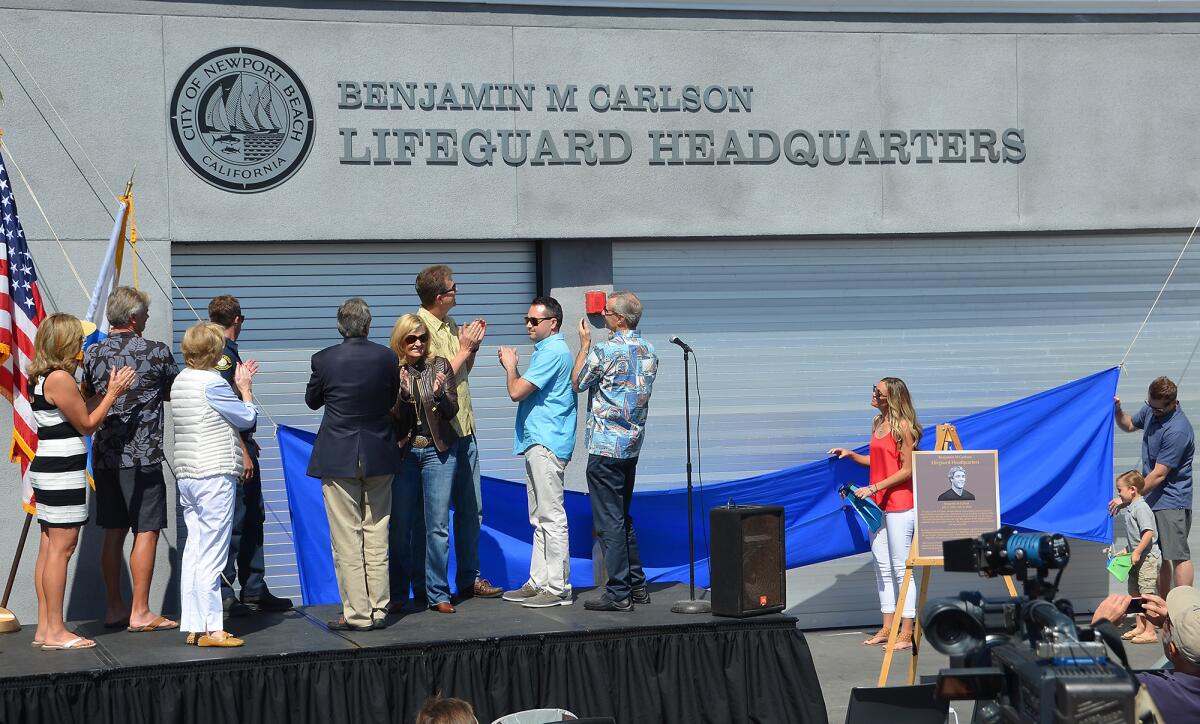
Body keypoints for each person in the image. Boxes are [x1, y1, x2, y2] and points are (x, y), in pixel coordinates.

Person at [28, 314, 134, 650]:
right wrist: (113, 394)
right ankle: (56, 630)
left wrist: (103, 393)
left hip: (50, 466)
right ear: (63, 342)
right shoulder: (59, 377)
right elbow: (87, 424)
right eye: (76, 340)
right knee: (62, 548)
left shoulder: (44, 375)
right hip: (60, 471)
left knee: (49, 546)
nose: (80, 347)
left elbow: (76, 414)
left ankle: (46, 628)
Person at [81, 286, 180, 632]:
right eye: (146, 315)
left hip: (106, 456)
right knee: (147, 531)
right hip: (143, 459)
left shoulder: (91, 354)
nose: (148, 319)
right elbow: (174, 391)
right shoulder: (156, 352)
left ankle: (114, 608)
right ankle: (140, 610)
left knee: (113, 532)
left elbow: (87, 397)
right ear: (134, 318)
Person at [306, 298, 401, 631]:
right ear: (368, 324)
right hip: (379, 454)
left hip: (338, 456)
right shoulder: (388, 357)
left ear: (339, 325)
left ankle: (357, 615)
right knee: (377, 533)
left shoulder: (324, 359)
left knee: (347, 538)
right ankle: (378, 608)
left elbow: (312, 400)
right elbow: (391, 398)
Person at [413, 265, 502, 601]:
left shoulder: (450, 324)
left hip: (465, 426)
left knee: (472, 509)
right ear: (440, 296)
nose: (457, 292)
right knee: (434, 520)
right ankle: (431, 587)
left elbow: (461, 370)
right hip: (439, 436)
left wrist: (472, 349)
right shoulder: (419, 328)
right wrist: (464, 349)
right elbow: (431, 380)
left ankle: (469, 578)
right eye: (453, 287)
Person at [171, 322, 259, 648]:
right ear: (214, 350)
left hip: (189, 475)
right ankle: (212, 628)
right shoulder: (212, 384)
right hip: (213, 473)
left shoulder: (181, 380)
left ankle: (195, 625)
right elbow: (247, 418)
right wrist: (246, 389)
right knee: (212, 554)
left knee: (194, 551)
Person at [572, 291, 657, 612]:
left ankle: (618, 591)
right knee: (621, 516)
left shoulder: (604, 350)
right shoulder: (649, 350)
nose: (603, 316)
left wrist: (583, 346)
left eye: (607, 312)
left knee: (608, 521)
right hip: (631, 445)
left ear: (619, 319)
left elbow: (578, 382)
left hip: (605, 446)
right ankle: (636, 585)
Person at [207, 295, 292, 616]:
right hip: (233, 453)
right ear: (237, 320)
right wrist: (242, 449)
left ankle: (255, 588)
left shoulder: (223, 352)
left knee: (254, 517)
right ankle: (228, 591)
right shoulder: (223, 356)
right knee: (237, 522)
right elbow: (226, 410)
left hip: (242, 445)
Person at [828, 377, 922, 650]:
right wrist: (853, 456)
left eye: (878, 393)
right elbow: (880, 459)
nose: (873, 395)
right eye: (874, 390)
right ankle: (888, 626)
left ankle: (907, 631)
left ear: (891, 397)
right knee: (881, 565)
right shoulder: (877, 423)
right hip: (878, 502)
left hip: (900, 502)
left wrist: (874, 487)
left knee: (902, 567)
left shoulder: (904, 427)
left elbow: (907, 469)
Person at [498, 296, 578, 608]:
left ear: (553, 323)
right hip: (537, 441)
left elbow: (516, 391)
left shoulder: (554, 351)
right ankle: (539, 580)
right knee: (539, 516)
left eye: (535, 321)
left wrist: (511, 367)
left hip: (547, 442)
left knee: (551, 515)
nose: (529, 326)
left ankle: (558, 588)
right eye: (527, 320)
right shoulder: (546, 350)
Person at [388, 314, 460, 613]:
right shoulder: (392, 371)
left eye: (422, 338)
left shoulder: (440, 365)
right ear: (400, 341)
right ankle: (398, 594)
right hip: (404, 455)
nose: (418, 343)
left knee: (437, 526)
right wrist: (403, 396)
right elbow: (389, 417)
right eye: (411, 339)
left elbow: (452, 408)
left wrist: (440, 394)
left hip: (437, 452)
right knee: (401, 527)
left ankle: (438, 593)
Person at [1113, 377, 1195, 597]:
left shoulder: (1177, 430)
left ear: (1173, 403)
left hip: (1172, 500)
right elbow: (1129, 424)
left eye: (1158, 409)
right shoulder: (1152, 409)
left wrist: (1127, 498)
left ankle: (1183, 608)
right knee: (1154, 554)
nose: (1153, 411)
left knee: (1176, 554)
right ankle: (1160, 607)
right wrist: (1117, 410)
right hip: (1152, 498)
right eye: (1150, 405)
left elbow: (1159, 474)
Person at [1091, 588, 1200, 723]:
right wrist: (1171, 627)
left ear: (1171, 650)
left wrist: (1097, 629)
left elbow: (1088, 688)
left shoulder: (1151, 690)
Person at [1116, 469, 1163, 644]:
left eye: (1120, 490)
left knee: (1146, 595)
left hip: (1148, 559)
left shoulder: (1141, 508)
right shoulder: (1131, 508)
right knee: (1135, 594)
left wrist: (1136, 552)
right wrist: (1128, 550)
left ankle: (1150, 631)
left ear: (1132, 490)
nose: (1118, 493)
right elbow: (1136, 538)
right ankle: (1140, 627)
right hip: (1137, 558)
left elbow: (1148, 533)